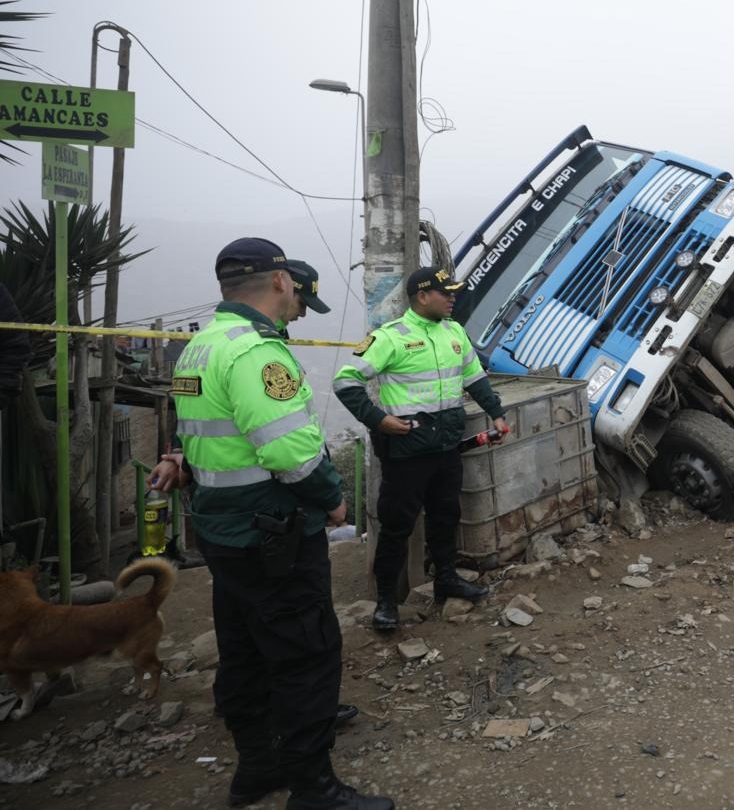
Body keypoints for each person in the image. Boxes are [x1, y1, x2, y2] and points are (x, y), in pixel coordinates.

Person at [148, 238, 391, 810]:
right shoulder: (257, 353)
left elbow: (203, 429)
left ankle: (256, 768)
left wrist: (179, 459)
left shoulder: (200, 345)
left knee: (245, 648)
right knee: (307, 652)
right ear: (280, 280)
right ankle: (313, 788)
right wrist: (333, 498)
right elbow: (290, 454)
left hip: (223, 532)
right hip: (272, 532)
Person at [335, 266, 509, 631]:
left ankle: (446, 579)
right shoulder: (390, 338)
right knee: (396, 526)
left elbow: (474, 378)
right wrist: (377, 419)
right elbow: (346, 381)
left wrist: (496, 414)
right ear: (422, 296)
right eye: (446, 293)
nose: (452, 298)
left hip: (446, 448)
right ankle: (386, 600)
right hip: (407, 453)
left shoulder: (454, 331)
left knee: (446, 516)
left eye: (453, 293)